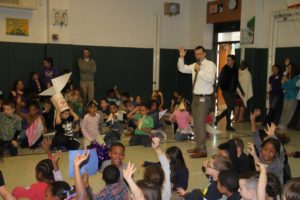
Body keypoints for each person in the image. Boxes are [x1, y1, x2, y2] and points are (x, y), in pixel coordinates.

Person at [177, 46, 216, 158]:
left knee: (200, 123)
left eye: (200, 53)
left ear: (204, 54)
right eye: (196, 54)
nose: (198, 56)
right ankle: (198, 146)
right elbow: (182, 68)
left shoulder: (210, 65)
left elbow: (210, 79)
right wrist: (181, 57)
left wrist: (200, 71)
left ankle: (203, 150)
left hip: (204, 98)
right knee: (196, 124)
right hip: (195, 97)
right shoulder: (195, 65)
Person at [249, 109, 285, 184]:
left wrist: (273, 135)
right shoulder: (262, 151)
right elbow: (255, 134)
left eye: (271, 151)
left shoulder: (279, 162)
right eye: (265, 149)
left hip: (274, 193)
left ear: (276, 154)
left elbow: (281, 149)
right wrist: (253, 119)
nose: (267, 153)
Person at [215, 54, 244, 131]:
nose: (227, 61)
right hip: (225, 90)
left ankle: (219, 118)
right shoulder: (225, 68)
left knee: (231, 107)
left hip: (232, 91)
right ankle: (227, 125)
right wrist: (216, 90)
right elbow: (220, 79)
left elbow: (237, 81)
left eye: (229, 60)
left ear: (233, 61)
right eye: (227, 60)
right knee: (231, 106)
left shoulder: (235, 69)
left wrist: (241, 91)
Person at [278, 63, 299, 130]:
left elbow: (293, 86)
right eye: (288, 67)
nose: (288, 69)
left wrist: (286, 82)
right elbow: (282, 86)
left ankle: (284, 125)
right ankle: (281, 124)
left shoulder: (296, 77)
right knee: (284, 110)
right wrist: (285, 82)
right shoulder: (286, 76)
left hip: (293, 96)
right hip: (286, 95)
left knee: (289, 111)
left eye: (290, 67)